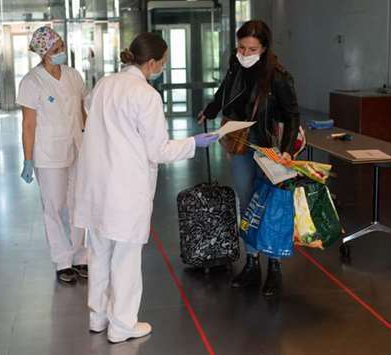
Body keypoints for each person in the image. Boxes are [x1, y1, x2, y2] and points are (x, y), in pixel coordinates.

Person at [73, 32, 219, 343]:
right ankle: (122, 326)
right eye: (163, 63)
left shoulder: (105, 84)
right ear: (151, 63)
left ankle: (98, 317)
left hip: (96, 183)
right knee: (125, 257)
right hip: (125, 186)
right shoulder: (146, 95)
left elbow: (89, 109)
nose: (163, 67)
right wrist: (195, 142)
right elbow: (159, 151)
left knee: (99, 252)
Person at [197, 20, 301, 297]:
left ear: (264, 48)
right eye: (241, 47)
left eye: (251, 49)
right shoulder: (236, 64)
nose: (245, 53)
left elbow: (292, 115)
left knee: (270, 205)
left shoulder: (278, 76)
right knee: (247, 203)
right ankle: (252, 262)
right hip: (241, 143)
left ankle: (274, 267)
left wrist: (287, 150)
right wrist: (210, 110)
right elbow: (226, 89)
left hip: (270, 147)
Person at [17, 26, 89, 285]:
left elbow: (83, 110)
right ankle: (63, 261)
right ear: (44, 52)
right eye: (56, 48)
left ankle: (81, 256)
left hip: (77, 147)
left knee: (79, 202)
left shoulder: (73, 76)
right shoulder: (31, 81)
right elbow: (28, 124)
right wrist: (27, 158)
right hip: (48, 154)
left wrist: (91, 142)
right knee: (55, 207)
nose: (61, 52)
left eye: (61, 46)